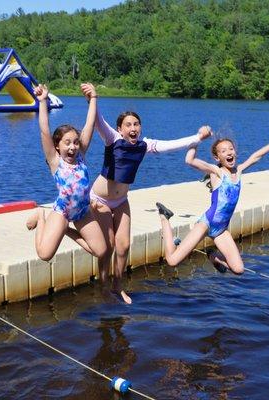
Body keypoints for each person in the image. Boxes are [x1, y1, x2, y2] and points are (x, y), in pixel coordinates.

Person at [85, 86, 213, 304]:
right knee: (107, 247)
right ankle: (103, 285)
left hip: (121, 200)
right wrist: (92, 99)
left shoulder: (145, 145)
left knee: (124, 245)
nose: (133, 128)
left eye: (136, 124)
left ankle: (118, 286)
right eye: (128, 125)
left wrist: (198, 137)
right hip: (100, 200)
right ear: (120, 128)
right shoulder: (112, 139)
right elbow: (99, 122)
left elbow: (172, 146)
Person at [156, 133, 269, 273]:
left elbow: (255, 157)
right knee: (172, 261)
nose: (229, 152)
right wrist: (196, 141)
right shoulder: (217, 172)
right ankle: (164, 217)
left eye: (231, 149)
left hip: (221, 229)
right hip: (206, 224)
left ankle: (213, 256)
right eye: (223, 151)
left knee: (238, 269)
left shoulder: (239, 171)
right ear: (217, 157)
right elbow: (190, 160)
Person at [26, 83, 108, 263]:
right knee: (44, 254)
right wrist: (42, 101)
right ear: (57, 146)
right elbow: (44, 130)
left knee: (101, 250)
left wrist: (93, 98)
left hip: (83, 212)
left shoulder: (81, 155)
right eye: (67, 142)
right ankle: (41, 216)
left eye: (76, 142)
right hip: (63, 212)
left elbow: (89, 125)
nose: (73, 147)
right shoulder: (55, 161)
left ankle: (65, 231)